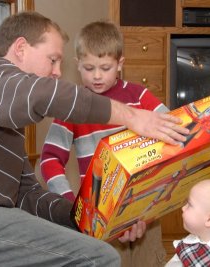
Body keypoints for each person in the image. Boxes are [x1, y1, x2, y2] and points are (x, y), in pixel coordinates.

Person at [0, 11, 189, 266]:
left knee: (85, 249)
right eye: (53, 60)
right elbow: (44, 94)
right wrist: (135, 117)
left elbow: (28, 196)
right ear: (20, 48)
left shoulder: (2, 125)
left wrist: (90, 218)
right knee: (98, 258)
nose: (58, 72)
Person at [40, 21, 170, 266]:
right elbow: (49, 160)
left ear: (120, 64)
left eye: (105, 67)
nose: (97, 76)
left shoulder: (139, 96)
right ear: (77, 64)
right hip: (98, 220)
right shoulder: (72, 106)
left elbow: (177, 127)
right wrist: (72, 206)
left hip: (145, 213)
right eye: (89, 68)